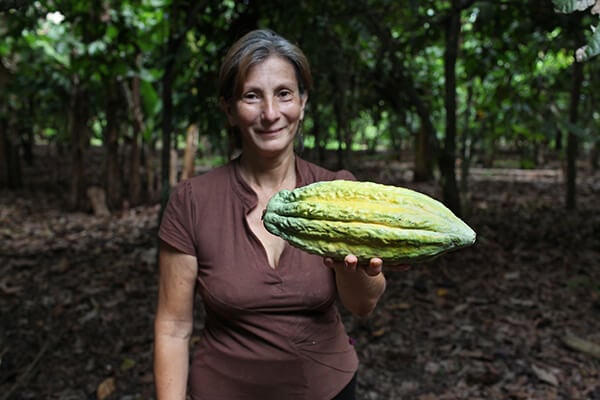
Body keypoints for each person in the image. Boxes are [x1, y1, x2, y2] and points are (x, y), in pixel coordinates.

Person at [153, 28, 392, 400]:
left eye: (284, 94)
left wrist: (358, 272)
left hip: (327, 389)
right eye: (252, 96)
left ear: (303, 101)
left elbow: (362, 305)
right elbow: (173, 326)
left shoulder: (339, 194)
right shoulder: (192, 201)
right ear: (229, 109)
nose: (270, 113)